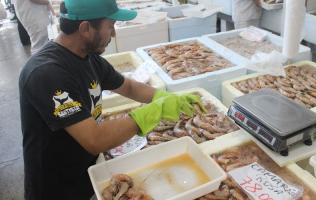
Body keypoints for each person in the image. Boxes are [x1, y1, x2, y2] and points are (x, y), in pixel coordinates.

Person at [18, 0, 201, 199]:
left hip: (85, 171)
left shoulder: (89, 58)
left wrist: (163, 96)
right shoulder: (46, 73)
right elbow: (95, 139)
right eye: (111, 26)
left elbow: (128, 86)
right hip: (54, 186)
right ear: (85, 28)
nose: (113, 34)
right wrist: (147, 114)